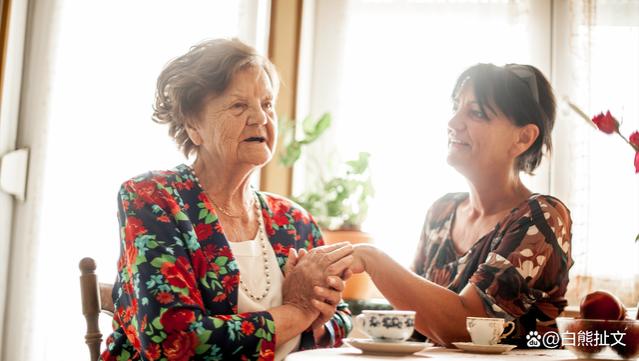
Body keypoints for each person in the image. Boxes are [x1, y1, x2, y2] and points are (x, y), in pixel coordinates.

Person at [100, 39, 353, 361]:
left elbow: (340, 320)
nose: (260, 118)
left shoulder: (293, 220)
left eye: (267, 104)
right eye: (238, 106)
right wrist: (299, 311)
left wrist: (321, 313)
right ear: (193, 124)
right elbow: (176, 341)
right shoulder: (154, 199)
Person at [350, 63, 573, 347]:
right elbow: (413, 323)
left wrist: (371, 258)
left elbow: (465, 329)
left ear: (523, 137)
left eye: (476, 113)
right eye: (456, 107)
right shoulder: (441, 213)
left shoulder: (542, 217)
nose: (453, 122)